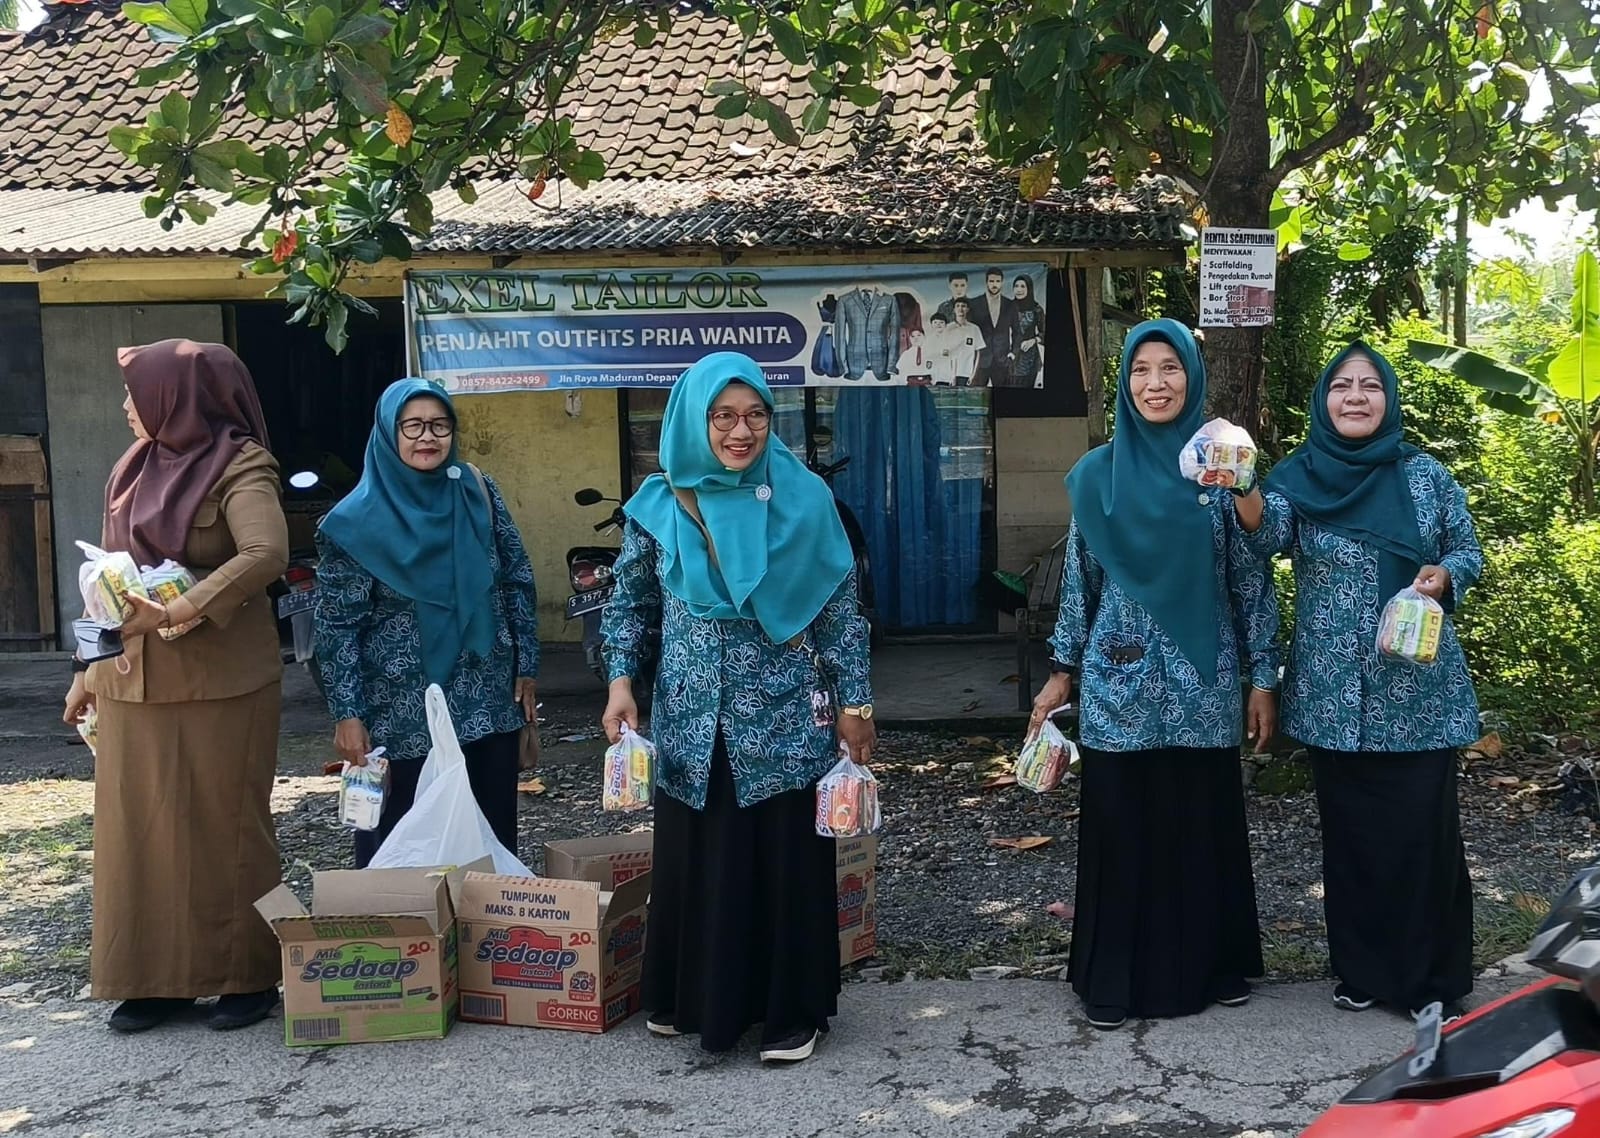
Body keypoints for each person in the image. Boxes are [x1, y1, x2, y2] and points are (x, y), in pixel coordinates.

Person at [600, 351, 875, 1064]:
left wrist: (858, 704)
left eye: (754, 414)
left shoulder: (805, 497)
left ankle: (791, 1013)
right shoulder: (658, 506)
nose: (740, 431)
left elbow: (840, 612)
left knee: (784, 864)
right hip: (693, 722)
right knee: (701, 862)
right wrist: (621, 681)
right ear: (696, 420)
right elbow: (630, 605)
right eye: (722, 416)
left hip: (785, 720)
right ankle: (695, 999)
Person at [1029, 318, 1280, 1031]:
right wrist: (1061, 675)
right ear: (1125, 384)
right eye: (1142, 370)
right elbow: (1080, 584)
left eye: (1171, 368)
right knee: (1123, 829)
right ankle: (1113, 978)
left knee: (1201, 825)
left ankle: (1214, 965)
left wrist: (1264, 676)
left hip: (1204, 682)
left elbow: (1249, 580)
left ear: (1192, 379)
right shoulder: (1098, 475)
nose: (1156, 383)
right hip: (1119, 684)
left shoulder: (1219, 469)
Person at [1232, 343, 1479, 1022]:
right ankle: (1363, 973)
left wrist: (1443, 574)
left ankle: (1430, 980)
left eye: (1371, 386)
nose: (1357, 396)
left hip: (1418, 693)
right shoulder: (1298, 479)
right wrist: (1241, 479)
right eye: (1342, 386)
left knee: (1421, 835)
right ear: (1324, 401)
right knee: (1353, 838)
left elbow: (1466, 547)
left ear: (1388, 399)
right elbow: (1264, 536)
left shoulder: (1425, 477)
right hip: (1335, 695)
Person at [62, 339, 288, 1034]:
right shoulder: (133, 467)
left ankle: (245, 977)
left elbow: (266, 552)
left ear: (178, 397)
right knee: (141, 832)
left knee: (226, 830)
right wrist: (86, 670)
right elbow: (112, 579)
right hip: (131, 681)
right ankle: (154, 980)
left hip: (223, 682)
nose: (128, 407)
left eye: (139, 393)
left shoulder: (241, 464)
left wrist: (181, 609)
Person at [314, 378, 539, 867]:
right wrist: (348, 713)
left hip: (485, 701)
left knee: (488, 833)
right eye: (412, 425)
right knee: (404, 838)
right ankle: (410, 942)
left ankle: (487, 936)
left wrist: (526, 668)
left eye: (439, 425)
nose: (427, 437)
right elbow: (336, 628)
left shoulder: (477, 492)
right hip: (400, 710)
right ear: (389, 434)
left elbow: (516, 579)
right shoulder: (351, 524)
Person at [971, 267, 1019, 387]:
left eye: (997, 281)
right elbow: (969, 331)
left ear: (1002, 282)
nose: (994, 284)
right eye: (991, 281)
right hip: (980, 360)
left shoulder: (1010, 304)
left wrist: (1013, 353)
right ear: (986, 282)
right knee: (975, 396)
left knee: (1003, 399)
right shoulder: (974, 303)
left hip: (1002, 360)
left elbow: (1017, 331)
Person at [1008, 274, 1045, 387]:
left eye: (1023, 286)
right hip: (1009, 355)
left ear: (1029, 288)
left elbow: (1045, 331)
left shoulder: (1036, 309)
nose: (1019, 289)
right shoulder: (1007, 307)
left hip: (1028, 357)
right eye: (1016, 286)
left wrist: (1033, 340)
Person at [947, 300, 986, 388]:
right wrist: (950, 374)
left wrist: (973, 375)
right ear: (954, 309)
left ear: (967, 309)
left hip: (966, 373)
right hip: (948, 374)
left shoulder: (974, 329)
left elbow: (978, 353)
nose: (960, 309)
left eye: (963, 306)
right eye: (958, 306)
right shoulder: (948, 328)